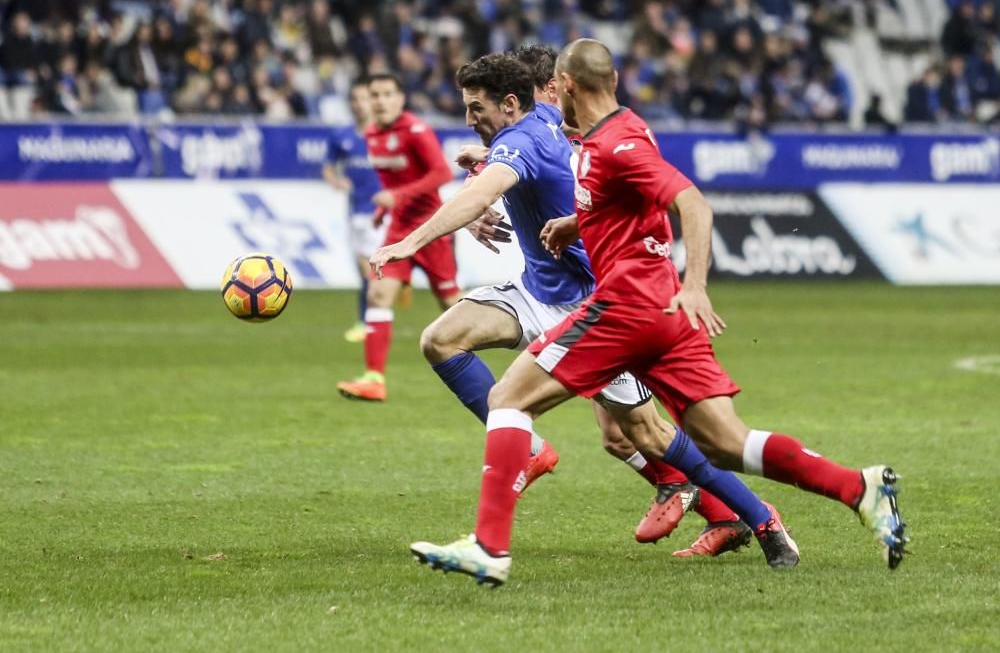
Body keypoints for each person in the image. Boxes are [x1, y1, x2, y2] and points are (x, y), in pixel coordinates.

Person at [392, 39, 908, 586]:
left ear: (562, 87)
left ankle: (491, 547)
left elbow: (691, 202)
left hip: (624, 305)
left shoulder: (615, 145)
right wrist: (572, 223)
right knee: (725, 441)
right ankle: (858, 487)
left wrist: (698, 285)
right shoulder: (600, 133)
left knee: (513, 400)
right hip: (654, 308)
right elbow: (591, 189)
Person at [439, 44, 759, 557]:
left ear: (541, 91)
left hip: (598, 300)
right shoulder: (548, 126)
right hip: (544, 292)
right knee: (445, 340)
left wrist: (475, 187)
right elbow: (518, 157)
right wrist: (480, 170)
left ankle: (745, 514)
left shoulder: (579, 133)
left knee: (639, 434)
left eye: (557, 87)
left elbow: (534, 158)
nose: (559, 97)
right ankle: (527, 452)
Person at [336, 73, 460, 402]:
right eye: (374, 94)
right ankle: (374, 379)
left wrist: (399, 197)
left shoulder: (416, 131)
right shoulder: (373, 134)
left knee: (452, 307)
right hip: (397, 228)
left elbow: (442, 173)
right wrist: (384, 209)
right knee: (378, 294)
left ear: (400, 99)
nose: (380, 101)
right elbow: (392, 182)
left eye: (387, 94)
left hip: (431, 228)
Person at [323, 80, 384, 343]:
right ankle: (367, 320)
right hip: (356, 211)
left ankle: (367, 321)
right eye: (355, 99)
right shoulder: (342, 137)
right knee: (365, 271)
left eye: (364, 98)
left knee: (374, 270)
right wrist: (337, 181)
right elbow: (328, 167)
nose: (359, 104)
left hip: (384, 212)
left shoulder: (385, 135)